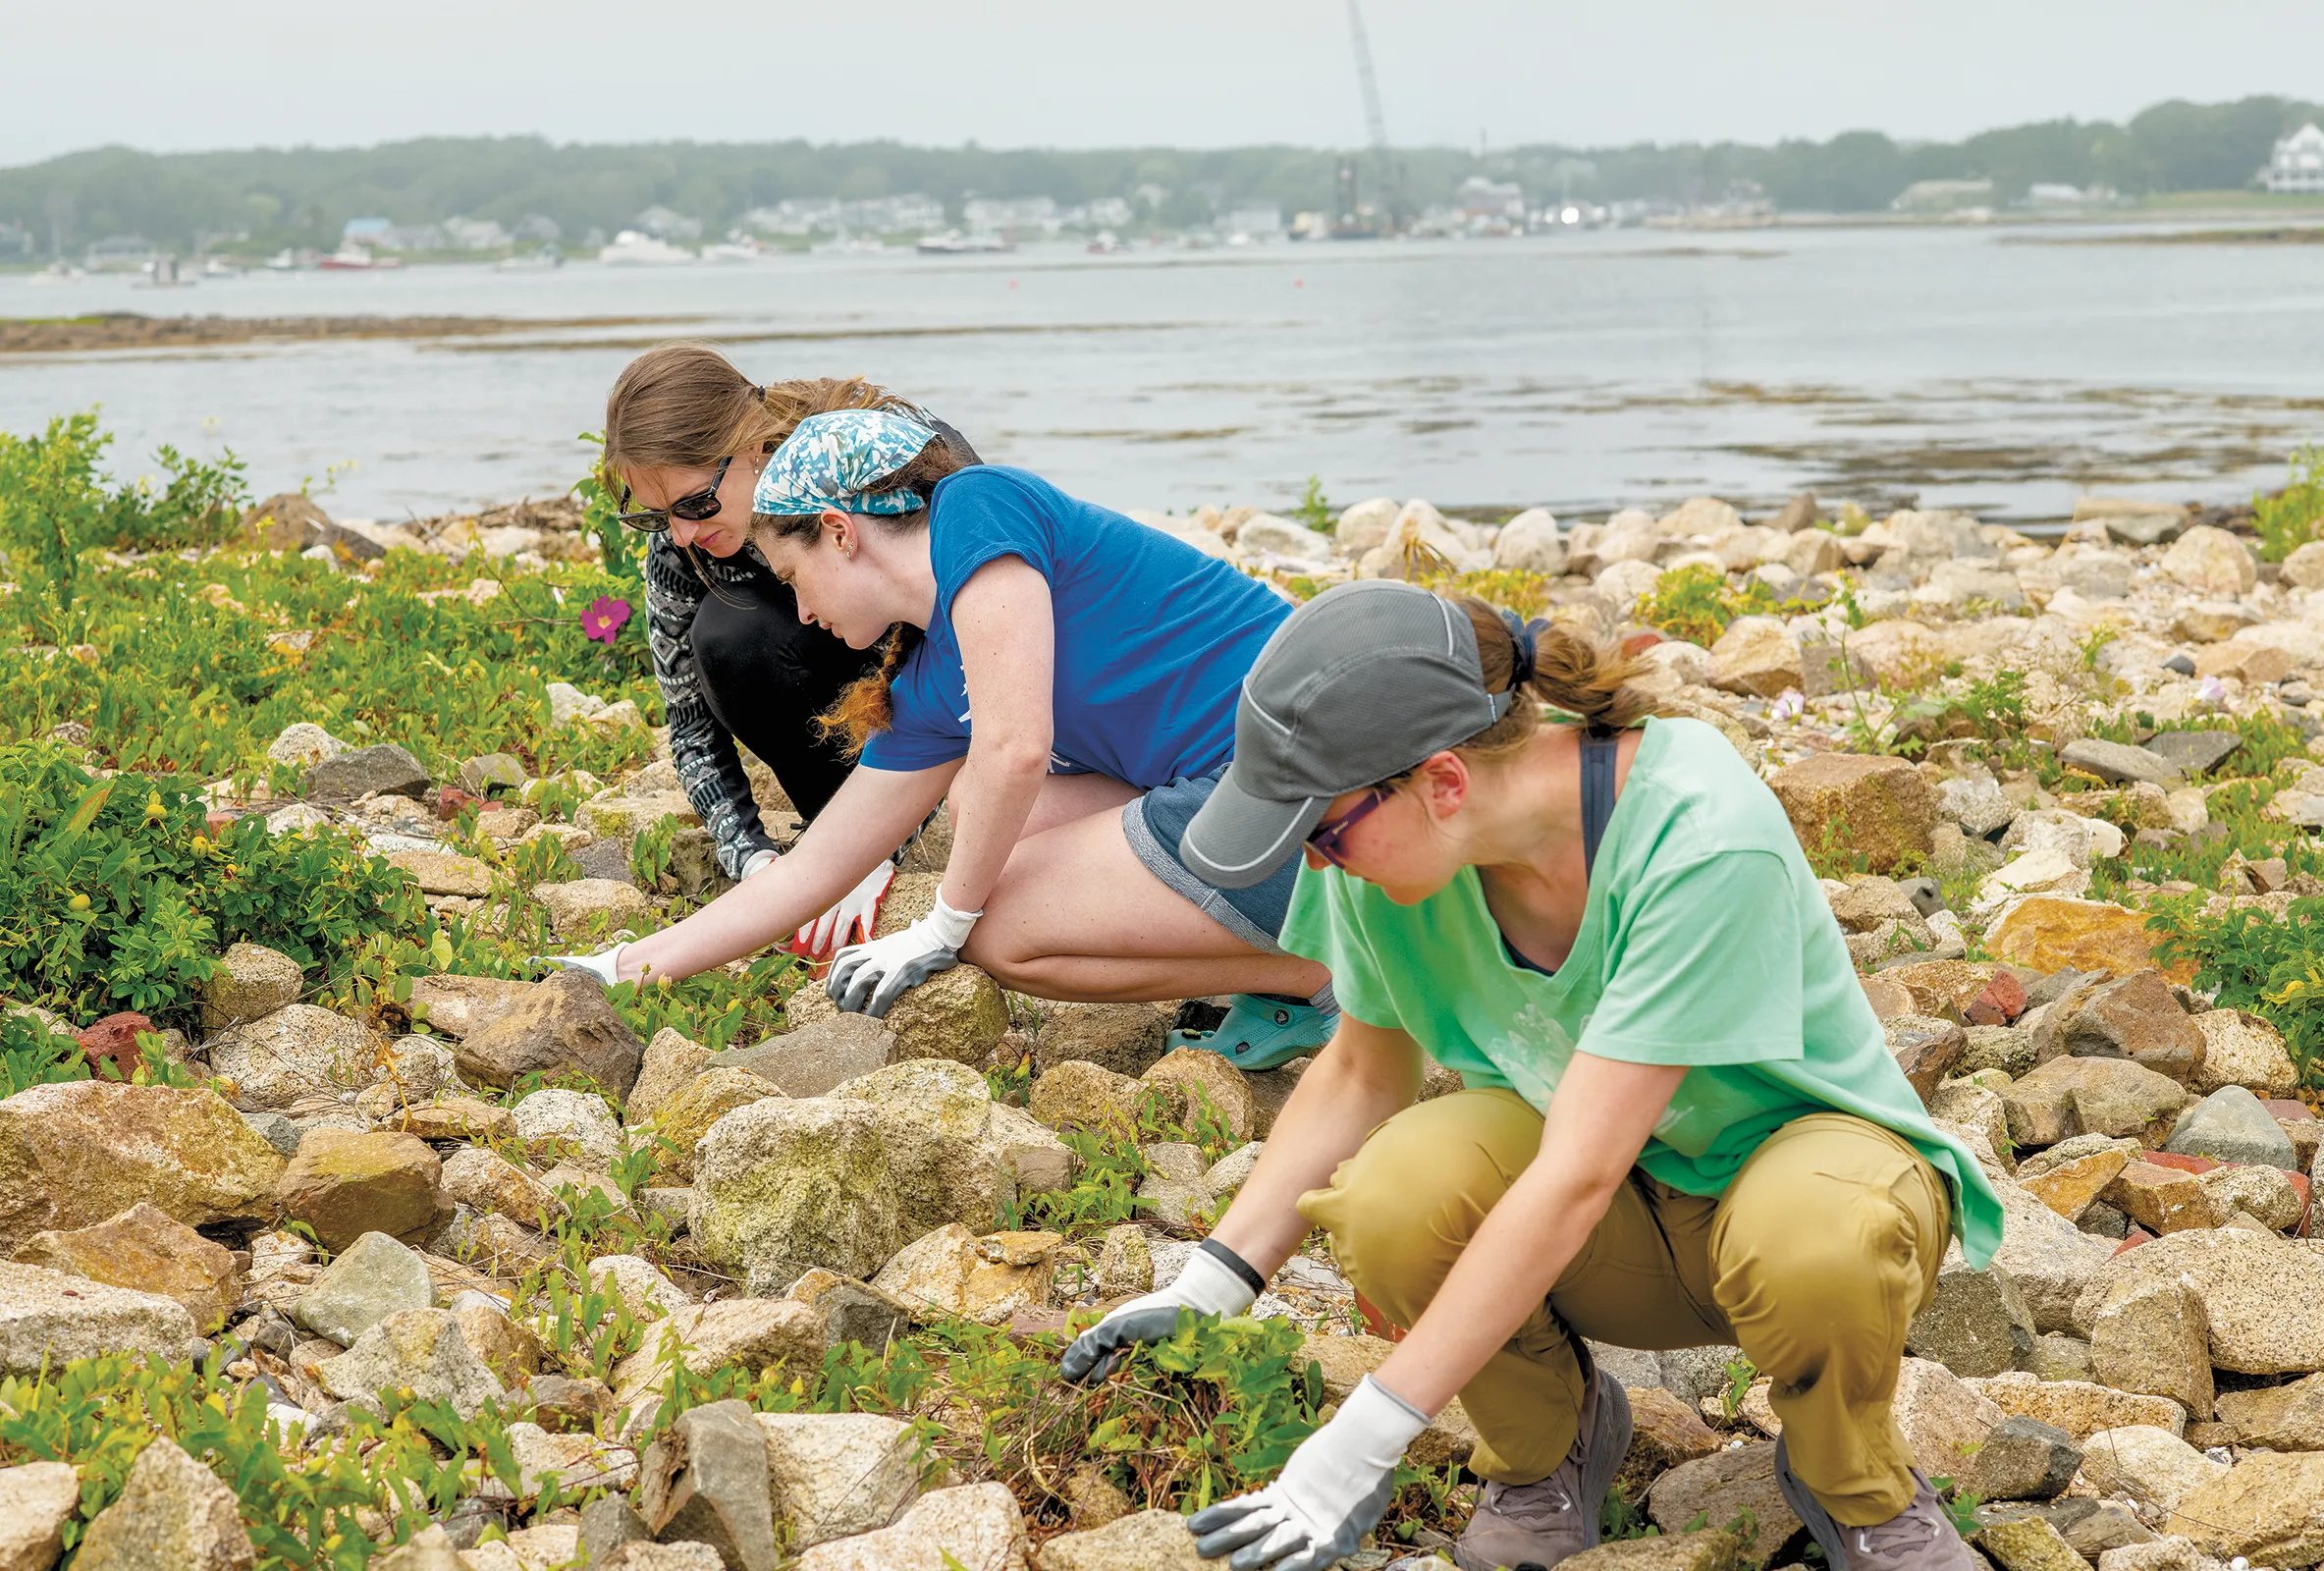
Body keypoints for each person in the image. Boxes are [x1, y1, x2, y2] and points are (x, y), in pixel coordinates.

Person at [1058, 580, 2004, 1571]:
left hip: (1786, 1178)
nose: (1317, 863)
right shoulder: (1392, 853)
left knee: (1824, 1241)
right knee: (1391, 1194)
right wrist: (1211, 1282)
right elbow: (1356, 1076)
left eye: (1322, 832)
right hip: (1617, 1223)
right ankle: (1550, 1446)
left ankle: (1854, 1483)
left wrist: (1363, 1440)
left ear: (1445, 780)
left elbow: (1575, 1176)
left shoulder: (1698, 832)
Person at [552, 406, 1340, 1066]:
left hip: (1325, 776)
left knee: (992, 921)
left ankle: (1351, 969)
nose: (800, 614)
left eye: (793, 581)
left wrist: (943, 925)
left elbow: (1018, 746)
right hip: (1241, 800)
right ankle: (1313, 977)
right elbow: (812, 871)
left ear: (839, 533)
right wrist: (620, 968)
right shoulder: (930, 683)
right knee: (986, 820)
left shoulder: (981, 508)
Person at [602, 347, 982, 956]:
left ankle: (876, 843)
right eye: (657, 516)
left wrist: (890, 845)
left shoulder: (883, 460)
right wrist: (753, 862)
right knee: (727, 639)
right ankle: (836, 833)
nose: (681, 534)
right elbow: (691, 726)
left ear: (751, 441)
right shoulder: (682, 549)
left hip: (955, 711)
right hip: (839, 749)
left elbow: (977, 660)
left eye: (696, 502)